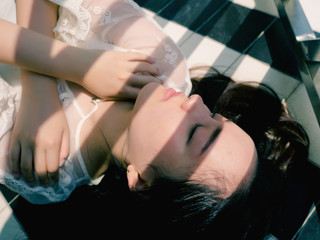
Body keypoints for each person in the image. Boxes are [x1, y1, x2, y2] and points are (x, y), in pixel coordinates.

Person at [0, 0, 309, 238]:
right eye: (215, 116)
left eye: (194, 133)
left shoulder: (46, 173)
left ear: (143, 183)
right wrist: (48, 87)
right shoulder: (162, 65)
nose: (197, 101)